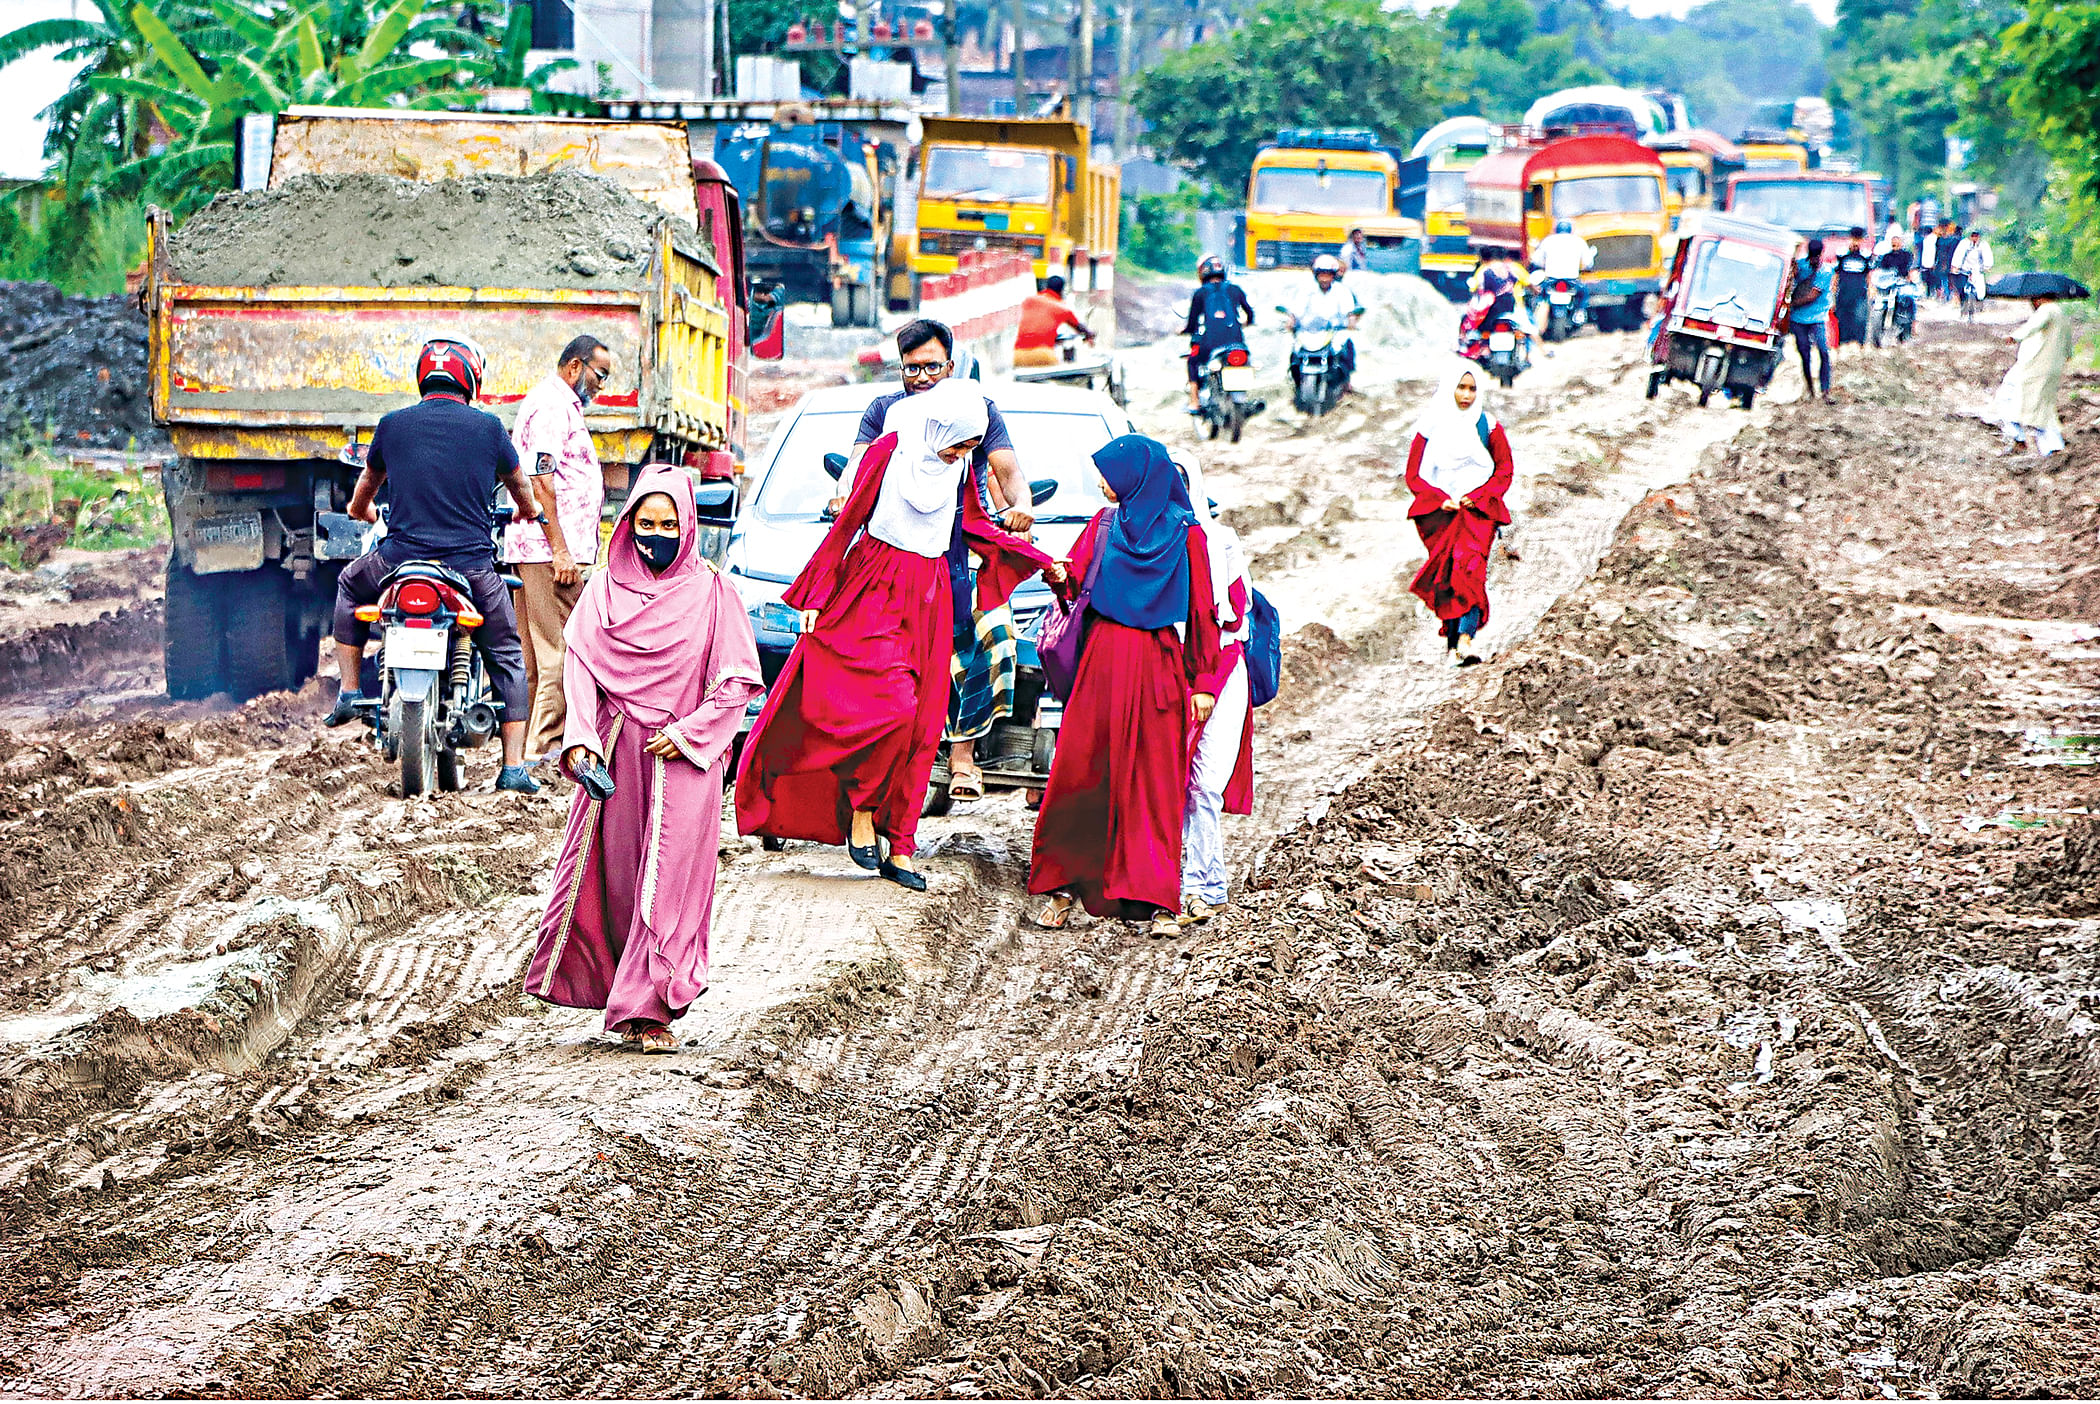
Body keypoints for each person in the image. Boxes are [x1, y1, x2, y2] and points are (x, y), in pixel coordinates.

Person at [736, 381, 1059, 889]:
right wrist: (815, 595)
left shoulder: (958, 468)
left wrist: (1037, 557)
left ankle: (902, 845)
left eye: (970, 447)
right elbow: (848, 521)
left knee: (923, 725)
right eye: (958, 443)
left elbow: (975, 527)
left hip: (931, 595)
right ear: (937, 427)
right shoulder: (889, 450)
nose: (961, 454)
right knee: (893, 708)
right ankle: (863, 810)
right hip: (873, 587)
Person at [523, 470, 764, 1052]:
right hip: (619, 755)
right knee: (619, 880)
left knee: (671, 885)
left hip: (686, 761)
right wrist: (581, 738)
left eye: (669, 524)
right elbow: (580, 668)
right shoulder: (603, 592)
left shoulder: (714, 594)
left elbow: (735, 683)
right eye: (645, 523)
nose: (656, 535)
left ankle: (649, 1008)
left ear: (689, 527)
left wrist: (690, 734)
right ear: (628, 524)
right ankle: (623, 996)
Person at [324, 334, 541, 795]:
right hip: (471, 568)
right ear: (471, 378)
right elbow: (521, 487)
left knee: (348, 583)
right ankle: (513, 768)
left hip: (399, 560)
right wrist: (530, 511)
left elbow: (364, 492)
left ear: (423, 375)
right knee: (507, 654)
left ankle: (349, 691)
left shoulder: (392, 425)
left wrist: (363, 512)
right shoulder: (489, 429)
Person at [1028, 435, 1221, 938]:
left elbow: (1202, 610)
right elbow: (1076, 583)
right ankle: (1062, 886)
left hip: (1159, 666)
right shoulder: (1103, 524)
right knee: (1081, 773)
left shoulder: (1188, 535)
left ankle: (1156, 899)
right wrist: (1058, 576)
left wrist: (1203, 679)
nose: (1101, 484)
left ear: (1137, 477)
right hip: (1101, 663)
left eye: (1109, 474)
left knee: (1153, 782)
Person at [841, 320, 1035, 800]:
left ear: (950, 366)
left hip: (961, 550)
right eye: (912, 369)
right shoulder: (886, 412)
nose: (923, 377)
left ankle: (963, 755)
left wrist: (1022, 506)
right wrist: (844, 496)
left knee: (989, 640)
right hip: (895, 553)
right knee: (890, 654)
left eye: (932, 367)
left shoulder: (977, 411)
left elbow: (1008, 471)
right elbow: (857, 468)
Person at [509, 334, 612, 764]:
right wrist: (561, 551)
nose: (602, 386)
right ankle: (546, 750)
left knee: (535, 660)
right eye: (600, 375)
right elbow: (540, 481)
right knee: (563, 653)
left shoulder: (558, 404)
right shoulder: (553, 407)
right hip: (548, 551)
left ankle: (524, 757)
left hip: (539, 548)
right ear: (575, 367)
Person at [1172, 450, 1254, 927]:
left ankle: (1203, 886)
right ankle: (1177, 885)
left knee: (1203, 783)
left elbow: (1232, 614)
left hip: (1219, 670)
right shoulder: (1145, 543)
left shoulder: (1220, 542)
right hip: (1166, 671)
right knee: (1167, 781)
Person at [1404, 361, 1513, 666]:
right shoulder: (1429, 427)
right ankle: (1453, 647)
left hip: (1478, 514)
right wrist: (1440, 499)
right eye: (1461, 388)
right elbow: (1414, 475)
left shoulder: (1488, 426)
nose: (1466, 395)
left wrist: (1478, 497)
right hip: (1442, 517)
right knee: (1449, 578)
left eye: (1472, 389)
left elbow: (1504, 470)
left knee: (1471, 571)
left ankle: (1466, 639)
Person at [1990, 294, 2074, 459]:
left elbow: (2033, 325)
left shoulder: (2047, 310)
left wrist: (2015, 336)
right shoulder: (2061, 314)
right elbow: (2068, 348)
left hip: (2033, 368)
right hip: (2047, 368)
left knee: (2007, 399)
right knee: (2043, 409)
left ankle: (2023, 440)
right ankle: (2052, 448)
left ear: (2039, 298)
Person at [1182, 253, 1256, 415]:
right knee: (1246, 361)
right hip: (1237, 344)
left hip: (1210, 344)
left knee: (1193, 360)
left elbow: (1192, 322)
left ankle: (1194, 401)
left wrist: (1185, 330)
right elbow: (1250, 313)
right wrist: (1247, 322)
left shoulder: (1200, 293)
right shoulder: (1235, 289)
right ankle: (1243, 398)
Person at [1283, 253, 1365, 393]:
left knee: (1346, 347)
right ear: (1316, 275)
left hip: (1333, 332)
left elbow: (1348, 311)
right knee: (1295, 353)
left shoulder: (1342, 291)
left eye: (1328, 274)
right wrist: (1291, 320)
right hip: (1308, 332)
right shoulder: (1305, 290)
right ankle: (1296, 383)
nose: (1324, 278)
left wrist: (1351, 320)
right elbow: (1296, 310)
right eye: (1321, 274)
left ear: (1333, 275)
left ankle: (1346, 382)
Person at [1013, 274, 1094, 368]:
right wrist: (1090, 335)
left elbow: (1037, 327)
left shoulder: (1029, 301)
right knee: (1062, 372)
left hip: (1018, 354)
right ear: (1061, 291)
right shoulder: (1061, 308)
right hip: (1043, 354)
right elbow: (1080, 328)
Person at [1790, 238, 1834, 400]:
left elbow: (1812, 296)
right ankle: (1810, 389)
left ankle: (1825, 390)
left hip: (1817, 317)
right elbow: (1791, 277)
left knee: (1823, 351)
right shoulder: (1801, 265)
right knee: (1805, 354)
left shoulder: (1826, 271)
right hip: (1798, 319)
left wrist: (1791, 304)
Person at [1531, 220, 1595, 319]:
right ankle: (1580, 312)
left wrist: (1544, 265)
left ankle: (1536, 315)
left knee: (1540, 296)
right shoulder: (1578, 241)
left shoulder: (1548, 240)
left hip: (1551, 280)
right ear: (1570, 229)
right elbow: (1588, 263)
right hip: (1572, 280)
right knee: (1584, 294)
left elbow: (1536, 260)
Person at [1834, 227, 1874, 352]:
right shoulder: (1842, 254)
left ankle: (1859, 343)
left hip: (1859, 293)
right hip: (1844, 292)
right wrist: (1833, 290)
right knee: (1842, 317)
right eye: (1854, 239)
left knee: (1860, 318)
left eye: (1858, 239)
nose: (1855, 242)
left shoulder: (1865, 255)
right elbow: (1836, 273)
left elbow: (1868, 274)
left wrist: (1870, 288)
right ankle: (1842, 343)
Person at [1953, 228, 1994, 312]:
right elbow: (1959, 254)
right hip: (1965, 268)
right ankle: (1963, 306)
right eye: (1973, 236)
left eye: (1976, 236)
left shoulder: (1983, 244)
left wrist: (1987, 266)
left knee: (1980, 290)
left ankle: (1979, 304)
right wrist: (1956, 266)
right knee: (1962, 289)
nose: (1974, 238)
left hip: (1978, 269)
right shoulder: (1964, 243)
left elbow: (1987, 255)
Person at [1933, 221, 1960, 301]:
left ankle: (1948, 297)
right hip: (1940, 262)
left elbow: (1952, 253)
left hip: (1948, 262)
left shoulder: (1952, 240)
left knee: (1948, 281)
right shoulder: (1939, 239)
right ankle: (1944, 297)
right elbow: (1937, 252)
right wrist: (1935, 262)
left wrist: (1951, 264)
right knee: (1941, 280)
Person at [1919, 223, 1941, 298]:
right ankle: (1930, 295)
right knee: (1930, 282)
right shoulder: (1929, 239)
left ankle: (1930, 295)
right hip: (1929, 264)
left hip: (1928, 264)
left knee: (1930, 282)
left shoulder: (1931, 239)